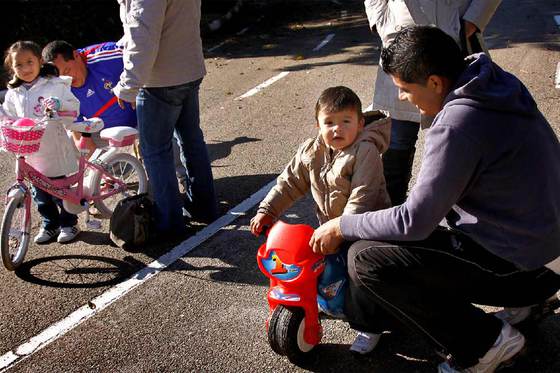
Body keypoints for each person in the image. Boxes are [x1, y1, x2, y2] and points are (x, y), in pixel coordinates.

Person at [309, 26, 560, 372]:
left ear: (435, 83)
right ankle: (529, 305)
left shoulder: (457, 124)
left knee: (366, 258)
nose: (402, 99)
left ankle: (486, 345)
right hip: (546, 251)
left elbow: (414, 220)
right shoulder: (489, 79)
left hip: (526, 267)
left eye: (405, 88)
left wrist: (342, 224)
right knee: (393, 241)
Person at [251, 86, 392, 354]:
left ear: (360, 123)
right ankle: (321, 301)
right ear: (318, 124)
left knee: (358, 274)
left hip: (365, 229)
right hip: (331, 227)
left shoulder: (365, 152)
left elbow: (362, 198)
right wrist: (267, 210)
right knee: (316, 265)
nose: (337, 129)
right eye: (329, 122)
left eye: (345, 122)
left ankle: (370, 325)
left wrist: (340, 229)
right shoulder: (312, 150)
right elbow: (289, 182)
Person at [364, 0, 501, 205]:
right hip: (401, 38)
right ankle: (391, 219)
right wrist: (382, 23)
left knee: (459, 133)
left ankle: (460, 217)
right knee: (396, 140)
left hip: (453, 37)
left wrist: (471, 21)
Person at [113, 0, 218, 235]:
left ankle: (169, 222)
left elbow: (144, 38)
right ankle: (204, 206)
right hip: (189, 69)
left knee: (155, 152)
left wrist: (128, 86)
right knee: (191, 141)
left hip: (160, 80)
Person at [41, 40, 190, 196]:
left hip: (140, 115)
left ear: (76, 56)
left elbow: (145, 56)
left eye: (68, 70)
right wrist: (86, 149)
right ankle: (111, 177)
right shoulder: (56, 86)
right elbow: (72, 122)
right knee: (68, 144)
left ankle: (184, 177)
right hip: (102, 127)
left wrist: (138, 86)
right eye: (61, 76)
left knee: (164, 140)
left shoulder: (109, 55)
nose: (68, 79)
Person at [2, 41, 81, 243]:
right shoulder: (14, 93)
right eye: (19, 65)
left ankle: (68, 223)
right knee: (40, 194)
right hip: (29, 150)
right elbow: (9, 116)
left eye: (29, 61)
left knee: (59, 190)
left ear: (40, 60)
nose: (25, 68)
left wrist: (59, 104)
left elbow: (74, 107)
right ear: (13, 68)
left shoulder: (55, 84)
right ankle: (50, 224)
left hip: (53, 147)